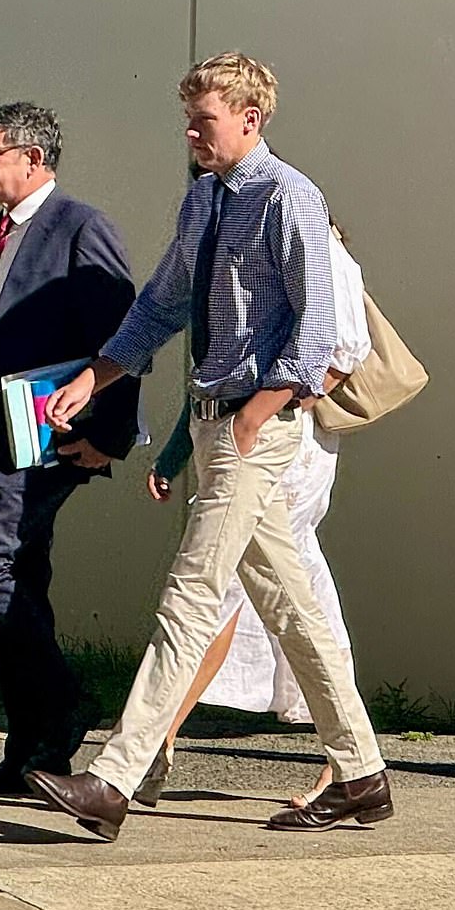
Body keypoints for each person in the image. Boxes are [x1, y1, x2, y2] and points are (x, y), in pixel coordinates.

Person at [25, 52, 392, 838]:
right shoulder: (202, 201)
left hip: (255, 429)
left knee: (191, 596)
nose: (192, 131)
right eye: (188, 117)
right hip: (215, 422)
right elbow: (161, 305)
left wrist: (255, 417)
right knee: (291, 607)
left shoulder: (292, 198)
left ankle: (114, 779)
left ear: (251, 120)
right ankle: (362, 773)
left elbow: (320, 333)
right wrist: (98, 378)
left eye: (206, 118)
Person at [0, 102, 140, 795]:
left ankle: (65, 703)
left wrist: (109, 436)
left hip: (51, 439)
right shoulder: (3, 227)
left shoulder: (79, 227)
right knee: (20, 577)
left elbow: (124, 334)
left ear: (34, 159)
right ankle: (33, 754)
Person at [134, 220, 371, 809]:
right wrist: (181, 446)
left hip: (284, 447)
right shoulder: (236, 250)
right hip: (247, 439)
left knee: (226, 593)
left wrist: (267, 412)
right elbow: (221, 369)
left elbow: (344, 346)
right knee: (271, 593)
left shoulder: (314, 244)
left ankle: (143, 753)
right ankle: (355, 765)